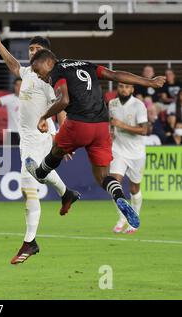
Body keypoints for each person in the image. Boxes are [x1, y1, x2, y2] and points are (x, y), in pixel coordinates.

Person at [26, 49, 166, 233]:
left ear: (48, 62)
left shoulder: (57, 71)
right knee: (102, 176)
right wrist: (149, 81)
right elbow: (115, 75)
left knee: (57, 148)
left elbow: (64, 99)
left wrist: (44, 117)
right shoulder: (85, 64)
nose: (39, 75)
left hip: (79, 123)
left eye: (38, 70)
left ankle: (41, 172)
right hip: (101, 125)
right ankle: (119, 196)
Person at [0, 28, 80, 265]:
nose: (33, 52)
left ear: (47, 54)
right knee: (35, 179)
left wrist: (64, 139)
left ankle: (30, 242)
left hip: (40, 136)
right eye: (31, 49)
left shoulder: (50, 79)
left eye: (37, 49)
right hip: (25, 139)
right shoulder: (27, 72)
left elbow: (62, 107)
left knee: (29, 185)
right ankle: (66, 193)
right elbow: (13, 64)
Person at [109, 83, 148, 234]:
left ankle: (134, 219)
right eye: (121, 86)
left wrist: (121, 125)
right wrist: (111, 131)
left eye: (127, 87)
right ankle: (122, 218)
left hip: (136, 152)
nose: (124, 89)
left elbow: (144, 130)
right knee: (114, 184)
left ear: (132, 89)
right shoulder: (112, 103)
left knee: (134, 188)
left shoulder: (139, 105)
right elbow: (111, 123)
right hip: (118, 149)